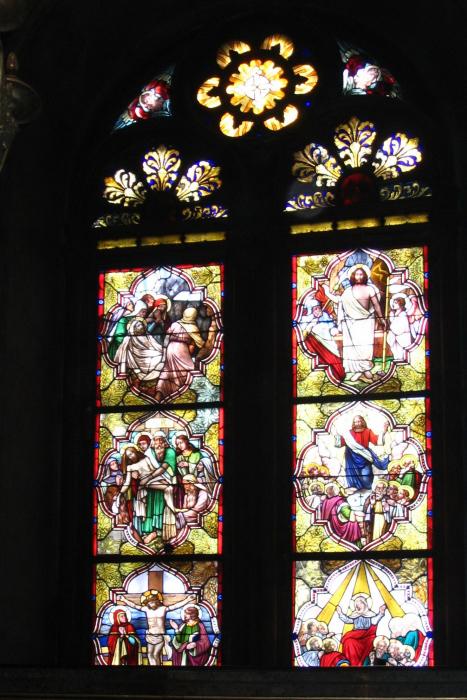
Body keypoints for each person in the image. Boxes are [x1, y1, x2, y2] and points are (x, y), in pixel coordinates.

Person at [328, 265, 386, 383]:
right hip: (351, 324)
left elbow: (376, 305)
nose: (359, 276)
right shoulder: (347, 292)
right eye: (356, 274)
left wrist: (381, 319)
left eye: (361, 274)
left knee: (365, 347)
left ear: (365, 276)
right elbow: (341, 305)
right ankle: (364, 372)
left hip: (367, 322)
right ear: (353, 276)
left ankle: (362, 371)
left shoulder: (370, 289)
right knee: (354, 347)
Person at [119, 589, 196, 666]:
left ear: (157, 601)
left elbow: (176, 606)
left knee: (156, 654)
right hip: (150, 636)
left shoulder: (163, 609)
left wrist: (187, 600)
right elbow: (134, 606)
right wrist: (124, 600)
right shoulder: (146, 609)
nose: (151, 604)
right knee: (150, 654)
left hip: (160, 636)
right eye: (149, 602)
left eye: (152, 602)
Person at [155, 307, 205, 401]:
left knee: (167, 370)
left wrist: (165, 349)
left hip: (170, 348)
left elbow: (167, 337)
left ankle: (159, 394)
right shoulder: (193, 328)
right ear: (193, 316)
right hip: (181, 350)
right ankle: (178, 393)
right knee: (186, 371)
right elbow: (201, 344)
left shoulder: (175, 324)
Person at [141, 432, 178, 544]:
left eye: (161, 440)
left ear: (165, 442)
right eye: (156, 440)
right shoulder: (149, 452)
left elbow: (163, 468)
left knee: (162, 504)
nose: (158, 443)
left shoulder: (170, 452)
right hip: (152, 484)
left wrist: (148, 478)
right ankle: (150, 531)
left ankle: (159, 531)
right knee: (150, 506)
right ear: (153, 442)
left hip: (166, 480)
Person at [334, 415, 390, 491]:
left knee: (366, 475)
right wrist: (336, 435)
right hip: (351, 457)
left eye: (359, 421)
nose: (357, 423)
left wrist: (384, 431)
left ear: (362, 422)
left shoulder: (368, 431)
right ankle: (356, 490)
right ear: (353, 423)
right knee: (353, 474)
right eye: (355, 422)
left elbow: (376, 441)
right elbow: (340, 443)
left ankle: (368, 489)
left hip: (365, 456)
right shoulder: (348, 433)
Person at [301, 299, 345, 383]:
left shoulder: (324, 315)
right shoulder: (306, 319)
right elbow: (304, 335)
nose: (318, 310)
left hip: (331, 340)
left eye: (319, 308)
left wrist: (333, 329)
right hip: (321, 343)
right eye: (315, 309)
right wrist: (312, 323)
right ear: (310, 310)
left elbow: (331, 325)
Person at [337, 594, 387, 666]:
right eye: (356, 605)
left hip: (367, 637)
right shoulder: (355, 615)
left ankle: (366, 663)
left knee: (371, 641)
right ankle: (352, 664)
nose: (358, 606)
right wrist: (340, 613)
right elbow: (348, 620)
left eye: (360, 604)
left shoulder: (370, 614)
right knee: (348, 641)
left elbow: (374, 621)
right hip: (356, 637)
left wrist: (381, 613)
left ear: (365, 604)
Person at [113, 317, 164, 383]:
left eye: (142, 325)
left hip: (150, 353)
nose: (141, 326)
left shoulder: (147, 335)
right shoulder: (130, 338)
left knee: (161, 356)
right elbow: (129, 350)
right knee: (159, 358)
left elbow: (155, 345)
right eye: (138, 325)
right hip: (139, 358)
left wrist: (163, 350)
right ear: (133, 328)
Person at [387, 296, 412, 361]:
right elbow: (393, 325)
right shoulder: (394, 314)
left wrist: (392, 322)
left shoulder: (403, 314)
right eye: (393, 303)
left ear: (400, 304)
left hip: (403, 337)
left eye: (395, 303)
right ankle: (397, 359)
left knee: (401, 353)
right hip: (396, 337)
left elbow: (402, 328)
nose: (393, 304)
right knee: (396, 353)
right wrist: (391, 317)